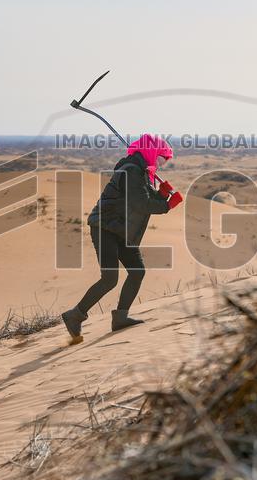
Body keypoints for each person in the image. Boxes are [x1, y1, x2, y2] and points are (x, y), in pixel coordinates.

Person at [61, 133, 183, 341]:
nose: (162, 164)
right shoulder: (132, 170)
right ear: (153, 152)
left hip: (121, 230)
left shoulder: (141, 171)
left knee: (137, 271)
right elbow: (140, 203)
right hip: (106, 227)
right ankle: (75, 315)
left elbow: (143, 197)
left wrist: (161, 194)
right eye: (162, 158)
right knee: (109, 278)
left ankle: (120, 317)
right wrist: (167, 205)